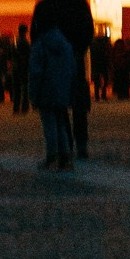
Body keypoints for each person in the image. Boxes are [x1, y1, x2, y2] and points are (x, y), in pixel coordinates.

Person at [31, 0, 96, 160]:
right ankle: (66, 145)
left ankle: (81, 145)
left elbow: (87, 28)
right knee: (59, 106)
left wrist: (79, 50)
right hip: (54, 64)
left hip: (74, 58)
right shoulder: (43, 7)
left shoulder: (75, 1)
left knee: (78, 106)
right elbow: (37, 36)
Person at [29, 12, 78, 169]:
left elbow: (35, 72)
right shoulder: (66, 44)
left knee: (49, 124)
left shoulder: (40, 45)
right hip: (62, 89)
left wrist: (33, 94)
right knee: (62, 123)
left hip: (45, 89)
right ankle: (66, 158)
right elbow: (72, 68)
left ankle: (52, 157)